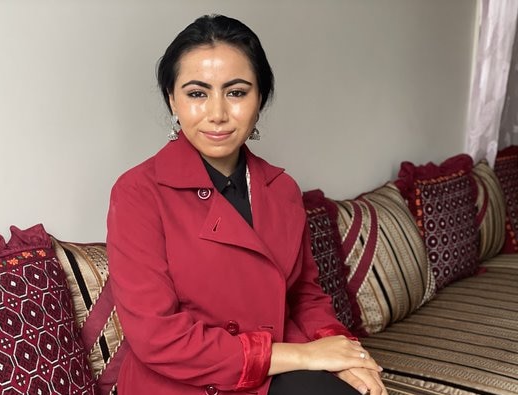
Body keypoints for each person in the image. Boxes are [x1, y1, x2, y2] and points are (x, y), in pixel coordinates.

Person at [107, 14, 387, 395]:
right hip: (183, 383)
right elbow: (159, 337)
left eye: (236, 92)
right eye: (196, 93)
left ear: (260, 100)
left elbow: (305, 294)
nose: (218, 113)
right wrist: (305, 356)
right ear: (172, 99)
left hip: (269, 374)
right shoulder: (138, 192)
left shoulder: (282, 188)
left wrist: (344, 354)